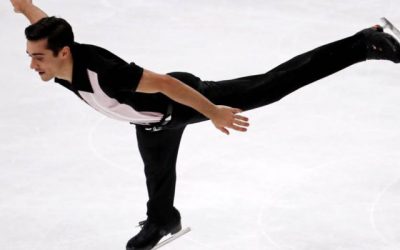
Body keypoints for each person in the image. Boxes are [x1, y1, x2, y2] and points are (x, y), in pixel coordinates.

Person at [10, 1, 400, 249]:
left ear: (62, 53)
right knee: (156, 172)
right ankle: (163, 220)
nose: (33, 65)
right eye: (30, 56)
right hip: (150, 122)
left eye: (38, 58)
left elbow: (166, 84)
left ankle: (364, 44)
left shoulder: (104, 72)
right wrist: (25, 6)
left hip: (178, 102)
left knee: (269, 86)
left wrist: (213, 110)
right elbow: (43, 22)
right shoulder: (58, 59)